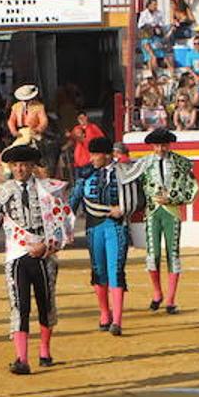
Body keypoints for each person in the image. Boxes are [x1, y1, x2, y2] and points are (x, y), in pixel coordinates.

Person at [0, 145, 72, 373]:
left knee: (45, 303)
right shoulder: (3, 191)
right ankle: (22, 359)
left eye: (24, 165)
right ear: (10, 167)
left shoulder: (48, 190)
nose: (19, 169)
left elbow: (63, 224)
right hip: (17, 255)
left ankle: (45, 350)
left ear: (32, 167)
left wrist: (47, 245)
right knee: (19, 306)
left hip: (44, 254)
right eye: (16, 165)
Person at [70, 136, 143, 336]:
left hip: (116, 226)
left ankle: (117, 320)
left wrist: (124, 209)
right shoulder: (85, 174)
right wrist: (67, 227)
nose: (92, 158)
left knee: (116, 270)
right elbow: (73, 201)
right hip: (94, 227)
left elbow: (139, 199)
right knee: (99, 269)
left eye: (95, 154)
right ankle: (104, 312)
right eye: (91, 154)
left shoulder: (124, 172)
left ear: (107, 155)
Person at [139, 128, 199, 314]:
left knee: (173, 254)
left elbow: (193, 188)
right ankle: (157, 293)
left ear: (169, 144)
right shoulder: (144, 164)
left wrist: (172, 199)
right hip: (152, 212)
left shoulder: (181, 163)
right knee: (153, 255)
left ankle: (171, 300)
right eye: (157, 145)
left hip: (172, 212)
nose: (160, 148)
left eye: (163, 145)